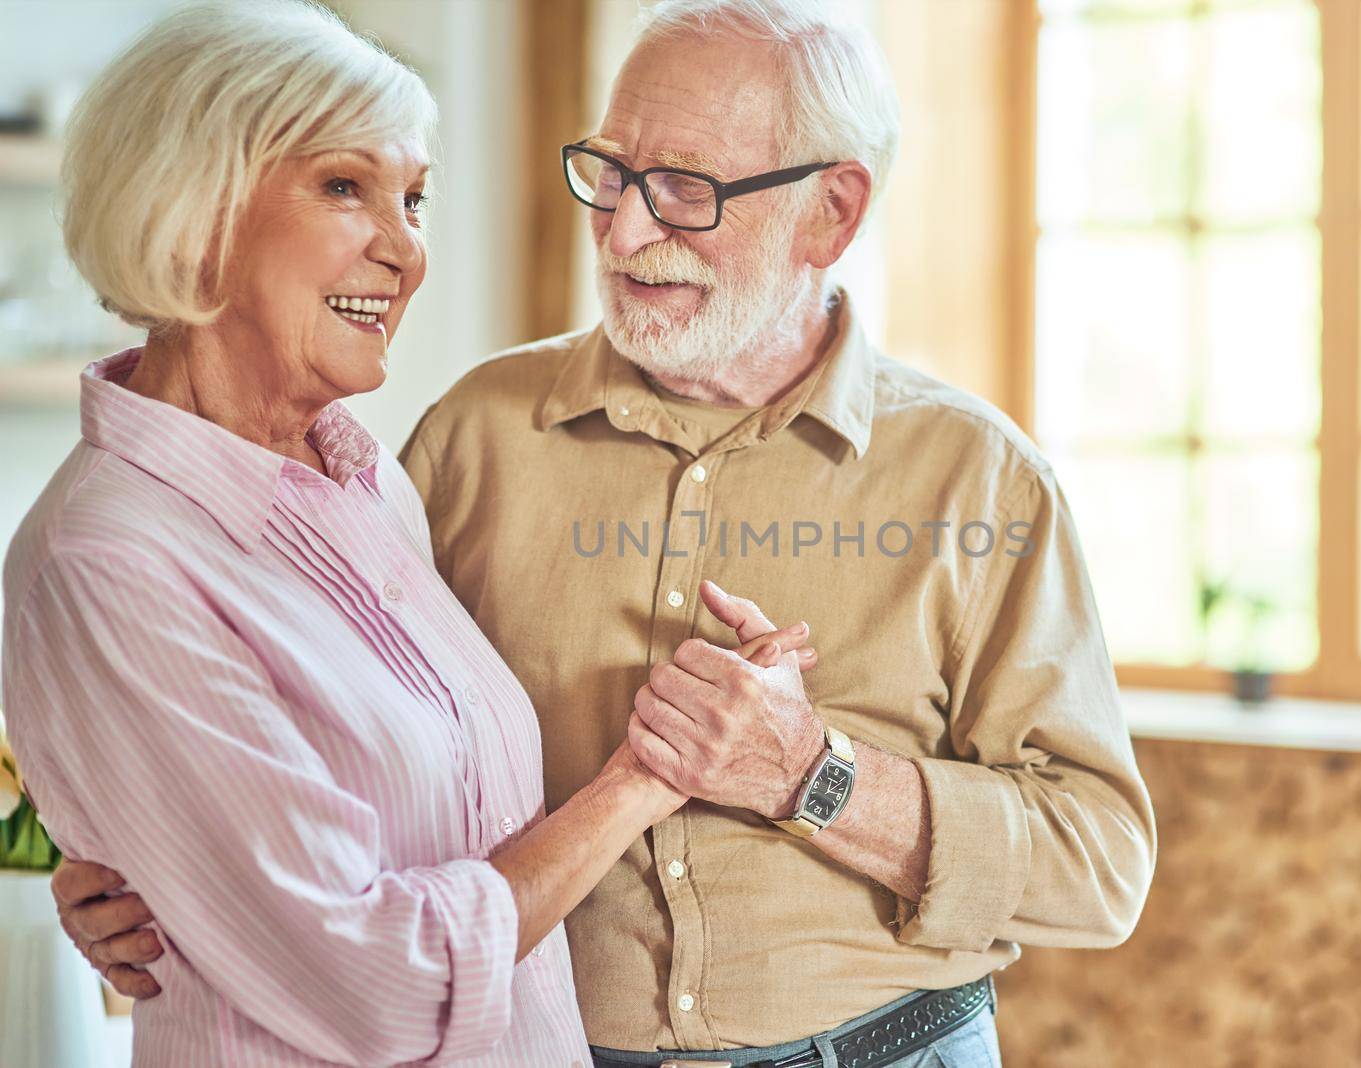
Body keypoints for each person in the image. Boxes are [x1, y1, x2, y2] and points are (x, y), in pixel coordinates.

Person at [60, 0, 1160, 1065]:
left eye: (684, 188)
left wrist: (812, 776)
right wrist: (171, 883)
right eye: (612, 172)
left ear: (832, 212)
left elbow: (1098, 865)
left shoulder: (979, 478)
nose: (627, 230)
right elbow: (319, 745)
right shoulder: (470, 441)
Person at [1, 3, 816, 1065]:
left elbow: (392, 823)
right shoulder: (104, 562)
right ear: (192, 209)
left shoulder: (363, 481)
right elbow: (374, 986)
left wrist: (183, 873)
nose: (405, 250)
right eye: (345, 187)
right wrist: (651, 776)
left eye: (415, 199)